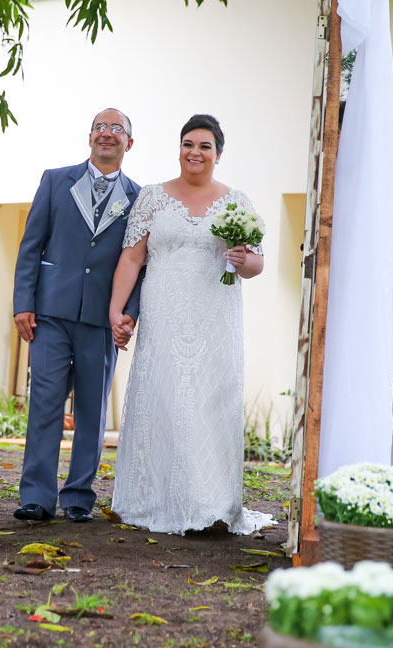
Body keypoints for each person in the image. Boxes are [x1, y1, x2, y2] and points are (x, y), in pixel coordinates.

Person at [106, 114, 276, 535]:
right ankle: (155, 499)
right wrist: (116, 309)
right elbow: (132, 257)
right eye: (188, 144)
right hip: (163, 314)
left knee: (208, 405)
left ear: (218, 154)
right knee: (164, 399)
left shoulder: (236, 201)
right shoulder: (152, 197)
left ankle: (210, 505)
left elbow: (256, 263)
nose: (194, 152)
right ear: (179, 149)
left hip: (215, 319)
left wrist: (243, 260)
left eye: (204, 146)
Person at [11, 107, 143, 523]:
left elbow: (142, 263)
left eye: (116, 129)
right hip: (50, 312)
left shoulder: (140, 198)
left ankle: (79, 497)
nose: (107, 133)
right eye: (100, 127)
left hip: (102, 319)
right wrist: (23, 302)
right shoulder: (55, 181)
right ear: (89, 137)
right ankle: (36, 496)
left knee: (92, 410)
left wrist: (128, 314)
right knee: (45, 402)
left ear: (129, 143)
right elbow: (31, 244)